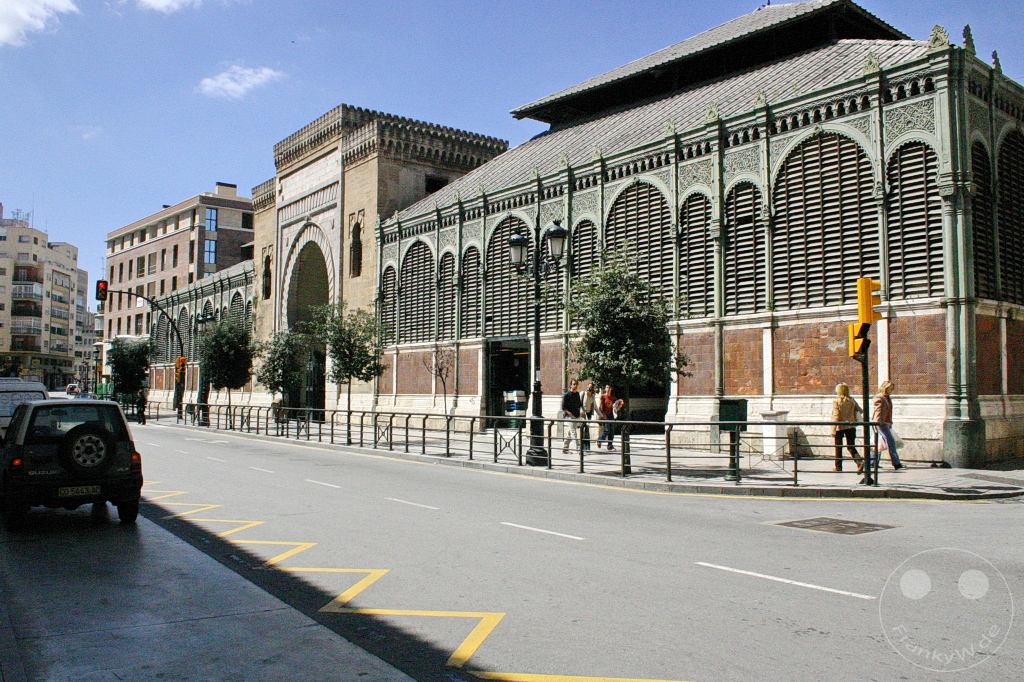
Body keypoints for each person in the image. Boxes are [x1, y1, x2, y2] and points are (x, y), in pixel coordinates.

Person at [872, 380, 903, 470]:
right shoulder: (880, 397)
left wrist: (890, 423)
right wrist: (877, 423)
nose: (891, 391)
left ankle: (873, 462)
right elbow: (877, 411)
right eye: (890, 389)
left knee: (879, 443)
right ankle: (896, 463)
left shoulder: (888, 397)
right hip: (881, 423)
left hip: (886, 423)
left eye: (892, 389)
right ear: (885, 388)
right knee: (891, 442)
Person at [830, 383, 862, 472]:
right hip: (851, 426)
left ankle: (838, 467)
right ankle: (859, 462)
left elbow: (836, 415)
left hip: (840, 427)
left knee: (838, 447)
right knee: (851, 446)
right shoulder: (852, 400)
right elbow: (860, 410)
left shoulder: (836, 401)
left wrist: (833, 429)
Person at [561, 379, 583, 455]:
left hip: (576, 415)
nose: (575, 386)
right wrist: (569, 413)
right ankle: (578, 449)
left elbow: (579, 404)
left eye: (576, 384)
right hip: (569, 416)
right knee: (573, 432)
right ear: (570, 385)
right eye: (574, 384)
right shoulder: (566, 395)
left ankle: (565, 448)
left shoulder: (577, 394)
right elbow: (563, 407)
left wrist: (581, 412)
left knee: (570, 433)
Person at [580, 382, 597, 452]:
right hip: (583, 414)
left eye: (591, 387)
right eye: (589, 387)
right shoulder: (583, 394)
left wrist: (601, 415)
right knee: (583, 429)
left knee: (587, 429)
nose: (589, 388)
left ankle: (587, 446)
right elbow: (579, 403)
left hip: (589, 413)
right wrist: (581, 411)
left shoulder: (593, 396)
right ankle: (582, 446)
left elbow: (594, 406)